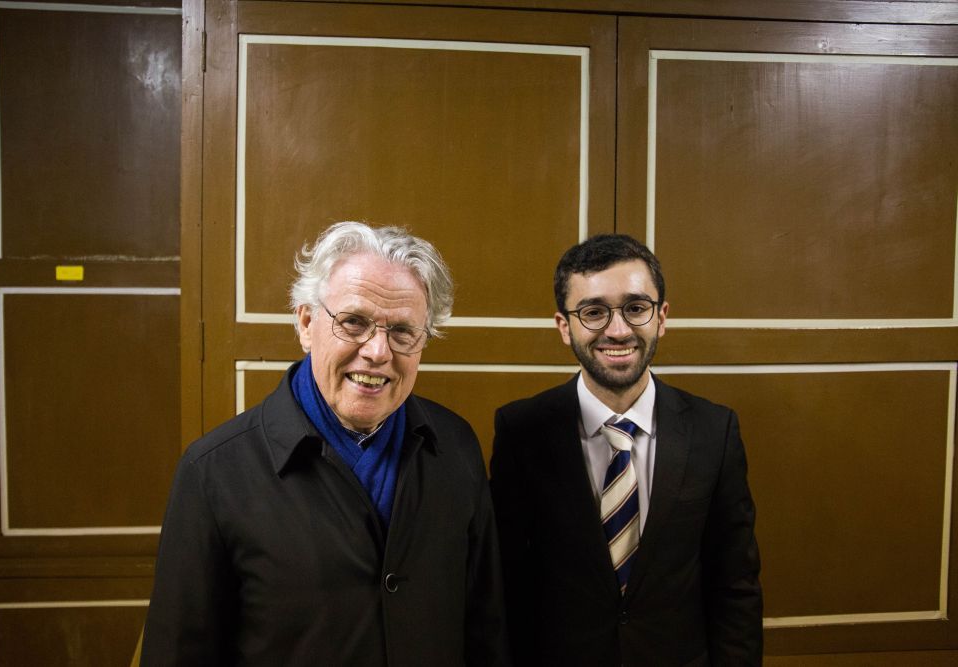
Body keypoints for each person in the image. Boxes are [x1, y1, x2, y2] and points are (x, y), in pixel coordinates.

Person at [142, 222, 508, 665]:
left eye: (402, 331)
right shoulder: (212, 472)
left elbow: (486, 631)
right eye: (354, 322)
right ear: (305, 322)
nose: (378, 351)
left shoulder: (456, 445)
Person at [490, 234, 762, 666]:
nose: (617, 331)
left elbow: (735, 584)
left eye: (635, 308)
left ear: (661, 317)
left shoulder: (715, 430)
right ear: (564, 326)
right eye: (593, 312)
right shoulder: (521, 431)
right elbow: (507, 583)